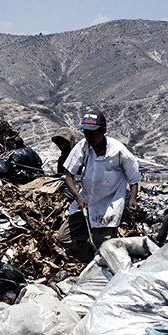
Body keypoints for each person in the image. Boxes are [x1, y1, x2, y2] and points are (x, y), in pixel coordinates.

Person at [57, 110, 140, 262]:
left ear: (103, 131)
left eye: (93, 134)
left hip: (109, 205)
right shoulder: (83, 146)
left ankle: (101, 267)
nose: (89, 137)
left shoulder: (119, 151)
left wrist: (133, 198)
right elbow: (69, 175)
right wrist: (78, 196)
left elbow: (133, 178)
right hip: (86, 202)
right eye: (86, 133)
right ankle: (90, 259)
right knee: (64, 238)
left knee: (105, 247)